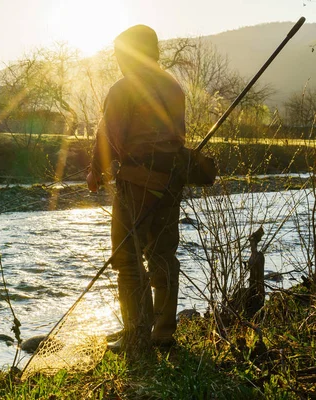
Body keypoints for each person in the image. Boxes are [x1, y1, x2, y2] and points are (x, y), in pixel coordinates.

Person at [87, 25, 186, 351]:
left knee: (127, 258)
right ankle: (163, 332)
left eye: (119, 54)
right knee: (163, 256)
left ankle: (136, 334)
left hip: (136, 184)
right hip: (171, 184)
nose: (117, 60)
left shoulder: (123, 89)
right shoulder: (174, 87)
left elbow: (109, 138)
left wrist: (96, 172)